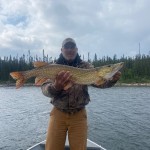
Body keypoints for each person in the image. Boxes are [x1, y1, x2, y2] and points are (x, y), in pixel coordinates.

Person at [41, 38, 121, 150]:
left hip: (79, 115)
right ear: (61, 50)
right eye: (67, 47)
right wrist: (56, 87)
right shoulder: (54, 66)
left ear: (76, 49)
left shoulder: (87, 67)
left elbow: (100, 84)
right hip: (58, 113)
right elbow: (44, 89)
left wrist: (112, 80)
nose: (70, 50)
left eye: (72, 47)